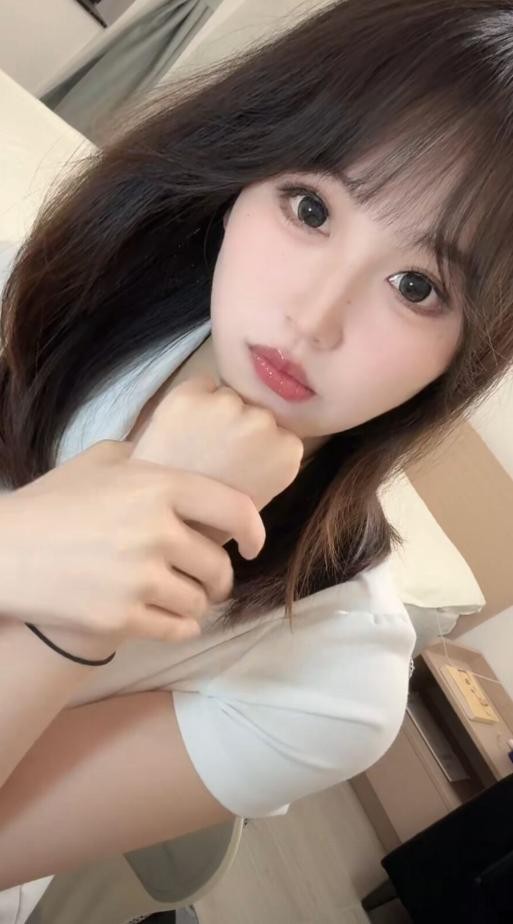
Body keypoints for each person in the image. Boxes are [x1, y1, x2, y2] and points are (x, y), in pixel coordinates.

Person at [1, 0, 513, 917]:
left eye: (416, 286)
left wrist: (70, 630)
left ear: (466, 353)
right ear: (243, 171)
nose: (311, 318)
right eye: (311, 207)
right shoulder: (32, 298)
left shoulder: (336, 680)